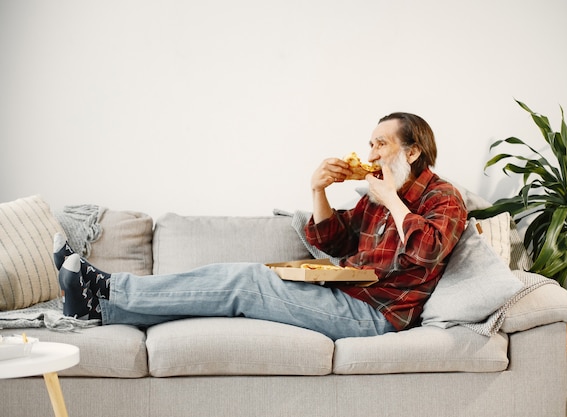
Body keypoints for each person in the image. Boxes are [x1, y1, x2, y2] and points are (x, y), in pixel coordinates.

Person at [55, 112, 467, 341]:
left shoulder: (442, 198)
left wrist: (392, 197)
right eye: (371, 142)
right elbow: (336, 243)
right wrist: (318, 190)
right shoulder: (376, 194)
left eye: (382, 143)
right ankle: (99, 305)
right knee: (233, 278)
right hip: (346, 293)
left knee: (244, 283)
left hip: (376, 315)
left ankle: (107, 288)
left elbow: (424, 250)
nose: (371, 152)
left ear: (412, 151)